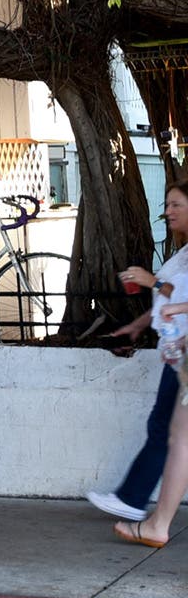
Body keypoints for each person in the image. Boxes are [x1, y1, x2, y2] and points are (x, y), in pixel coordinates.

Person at [90, 183, 188, 523]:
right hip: (176, 351)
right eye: (167, 205)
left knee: (167, 430)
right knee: (168, 429)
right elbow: (169, 299)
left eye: (176, 204)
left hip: (183, 352)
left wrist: (153, 282)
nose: (169, 211)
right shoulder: (183, 252)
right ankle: (134, 499)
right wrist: (137, 325)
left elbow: (175, 293)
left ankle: (133, 499)